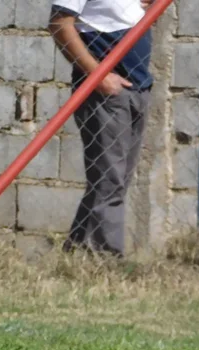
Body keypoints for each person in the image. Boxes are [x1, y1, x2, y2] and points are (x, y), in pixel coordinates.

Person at [49, 0, 153, 258]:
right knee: (109, 181)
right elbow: (59, 24)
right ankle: (106, 260)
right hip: (106, 95)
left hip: (137, 87)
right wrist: (99, 77)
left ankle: (77, 254)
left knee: (114, 183)